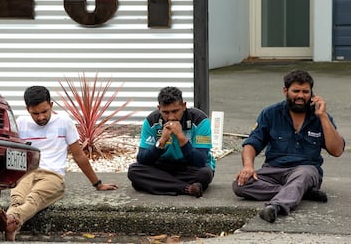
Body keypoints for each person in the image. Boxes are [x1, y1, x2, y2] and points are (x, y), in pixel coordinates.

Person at [0, 86, 118, 241]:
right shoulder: (21, 122)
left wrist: (98, 184)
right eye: (35, 113)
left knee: (35, 197)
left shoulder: (64, 122)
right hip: (26, 173)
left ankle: (11, 219)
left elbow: (79, 155)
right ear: (27, 109)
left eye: (44, 111)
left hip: (52, 176)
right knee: (18, 198)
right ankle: (11, 227)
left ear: (51, 105)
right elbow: (11, 152)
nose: (41, 117)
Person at [232, 69, 345, 223]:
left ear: (312, 94)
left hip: (305, 170)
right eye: (296, 91)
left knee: (302, 175)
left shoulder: (320, 116)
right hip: (273, 170)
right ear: (285, 91)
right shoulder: (270, 113)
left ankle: (276, 207)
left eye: (305, 91)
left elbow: (337, 150)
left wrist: (323, 116)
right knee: (239, 185)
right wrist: (248, 166)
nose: (300, 96)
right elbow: (252, 143)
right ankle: (301, 193)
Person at [127, 86, 215, 198]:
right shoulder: (151, 121)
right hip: (162, 166)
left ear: (184, 106)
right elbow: (142, 159)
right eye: (165, 112)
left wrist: (181, 137)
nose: (171, 117)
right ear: (159, 108)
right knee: (134, 171)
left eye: (175, 111)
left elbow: (200, 161)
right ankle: (187, 188)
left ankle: (159, 183)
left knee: (204, 174)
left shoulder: (200, 120)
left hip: (188, 167)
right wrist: (162, 141)